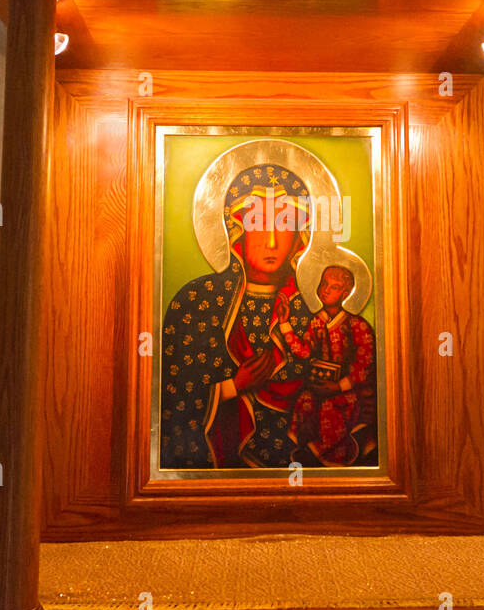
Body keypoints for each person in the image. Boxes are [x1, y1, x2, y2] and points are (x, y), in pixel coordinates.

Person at [160, 163, 314, 468]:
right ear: (237, 230)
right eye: (258, 222)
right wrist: (232, 386)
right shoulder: (197, 303)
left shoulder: (307, 311)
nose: (271, 241)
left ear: (300, 237)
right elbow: (169, 399)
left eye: (284, 224)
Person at [276, 264, 377, 466]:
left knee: (331, 408)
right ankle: (294, 450)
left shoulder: (356, 325)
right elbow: (304, 351)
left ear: (345, 294)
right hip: (321, 386)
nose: (326, 290)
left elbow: (365, 365)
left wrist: (339, 386)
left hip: (349, 391)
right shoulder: (316, 322)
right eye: (324, 284)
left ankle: (318, 453)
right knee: (304, 401)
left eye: (335, 287)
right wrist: (284, 323)